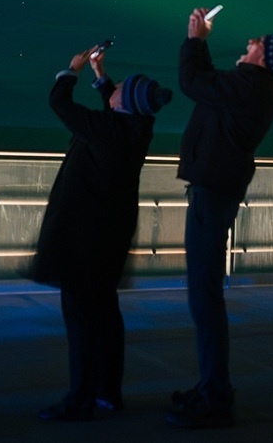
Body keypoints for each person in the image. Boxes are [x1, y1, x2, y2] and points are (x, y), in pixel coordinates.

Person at [168, 6, 273, 430]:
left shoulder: (250, 85)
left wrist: (195, 40)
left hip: (213, 192)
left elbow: (193, 81)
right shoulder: (254, 86)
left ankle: (216, 395)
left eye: (253, 44)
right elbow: (210, 86)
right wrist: (201, 48)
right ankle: (211, 385)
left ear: (264, 58)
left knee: (204, 296)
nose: (246, 45)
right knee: (204, 294)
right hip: (216, 188)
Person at [30, 43, 171, 422]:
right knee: (105, 316)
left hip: (83, 241)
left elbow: (61, 104)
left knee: (80, 318)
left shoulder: (106, 129)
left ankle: (80, 398)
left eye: (120, 87)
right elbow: (122, 100)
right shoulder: (137, 127)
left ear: (124, 103)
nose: (115, 89)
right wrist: (101, 74)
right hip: (110, 239)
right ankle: (108, 392)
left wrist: (71, 71)